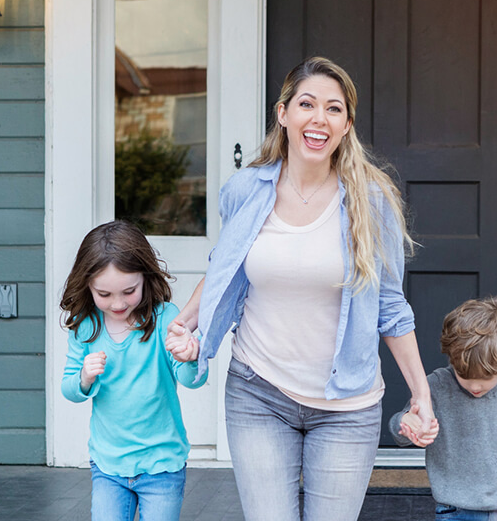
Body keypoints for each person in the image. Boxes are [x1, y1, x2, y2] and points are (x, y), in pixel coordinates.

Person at [166, 56, 440, 521]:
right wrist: (186, 325)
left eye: (333, 109)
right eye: (307, 104)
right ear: (283, 113)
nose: (319, 118)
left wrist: (421, 393)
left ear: (347, 124)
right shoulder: (246, 190)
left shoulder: (371, 200)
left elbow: (390, 305)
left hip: (347, 406)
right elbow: (223, 266)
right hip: (258, 393)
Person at [59, 220, 206, 521]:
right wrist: (84, 378)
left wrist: (192, 358)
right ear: (87, 285)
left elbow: (191, 380)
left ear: (145, 277)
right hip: (109, 465)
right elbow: (69, 389)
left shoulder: (166, 319)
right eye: (104, 294)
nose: (117, 303)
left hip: (162, 464)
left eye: (129, 291)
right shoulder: (86, 327)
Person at [390, 297, 497, 521]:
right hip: (456, 511)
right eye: (464, 376)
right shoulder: (436, 386)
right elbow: (401, 432)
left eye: (487, 378)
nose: (475, 386)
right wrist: (405, 422)